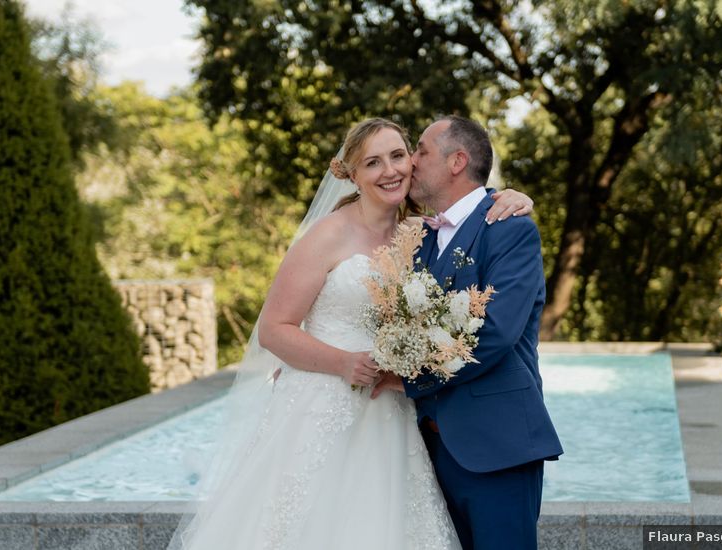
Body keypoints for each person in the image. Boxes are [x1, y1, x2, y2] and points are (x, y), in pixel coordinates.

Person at [169, 117, 535, 549]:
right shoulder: (327, 234)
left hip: (392, 413)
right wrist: (342, 362)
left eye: (401, 155)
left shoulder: (420, 236)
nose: (394, 169)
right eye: (373, 163)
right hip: (323, 406)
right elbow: (274, 329)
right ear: (353, 174)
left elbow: (470, 234)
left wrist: (511, 196)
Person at [373, 116, 564, 550]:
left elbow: (495, 333)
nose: (410, 163)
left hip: (496, 448)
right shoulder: (417, 237)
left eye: (420, 150)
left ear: (457, 161)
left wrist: (408, 379)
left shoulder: (511, 227)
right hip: (424, 451)